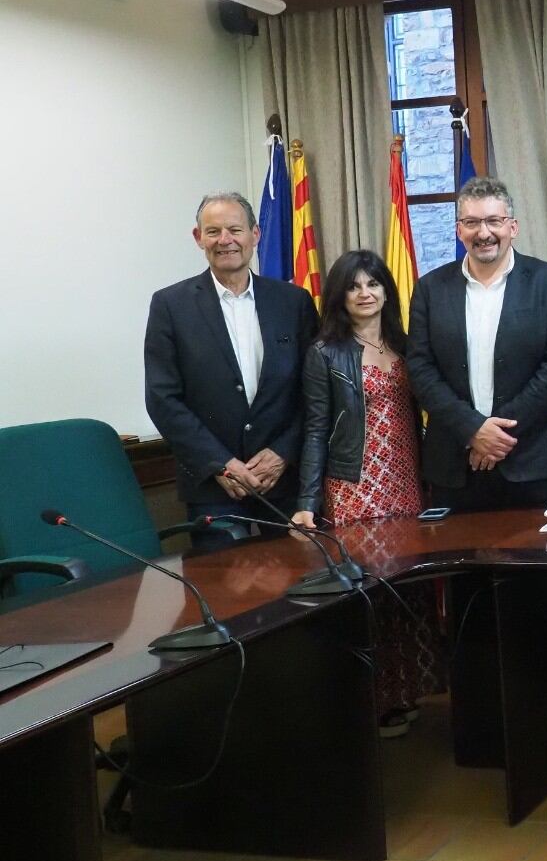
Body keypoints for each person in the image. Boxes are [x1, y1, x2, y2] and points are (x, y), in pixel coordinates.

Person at [291, 250, 442, 737]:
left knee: (409, 589)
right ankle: (371, 703)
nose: (365, 293)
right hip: (355, 486)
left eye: (373, 283)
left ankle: (406, 692)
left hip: (405, 480)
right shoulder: (325, 352)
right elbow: (315, 429)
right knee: (371, 592)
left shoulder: (405, 342)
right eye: (354, 286)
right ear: (340, 295)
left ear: (386, 290)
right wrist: (306, 503)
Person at [144, 192, 317, 546]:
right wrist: (221, 463)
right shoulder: (170, 306)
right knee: (224, 594)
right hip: (213, 486)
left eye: (235, 229)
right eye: (213, 231)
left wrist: (285, 451)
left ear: (255, 235)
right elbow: (163, 398)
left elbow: (314, 391)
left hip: (285, 480)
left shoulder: (293, 301)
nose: (225, 240)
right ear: (198, 238)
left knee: (305, 588)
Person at [407, 177, 547, 510]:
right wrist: (473, 430)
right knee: (456, 562)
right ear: (459, 230)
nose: (483, 233)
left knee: (532, 560)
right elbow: (419, 368)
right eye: (471, 223)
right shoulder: (430, 288)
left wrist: (495, 435)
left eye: (493, 221)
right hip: (455, 464)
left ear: (512, 227)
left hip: (529, 460)